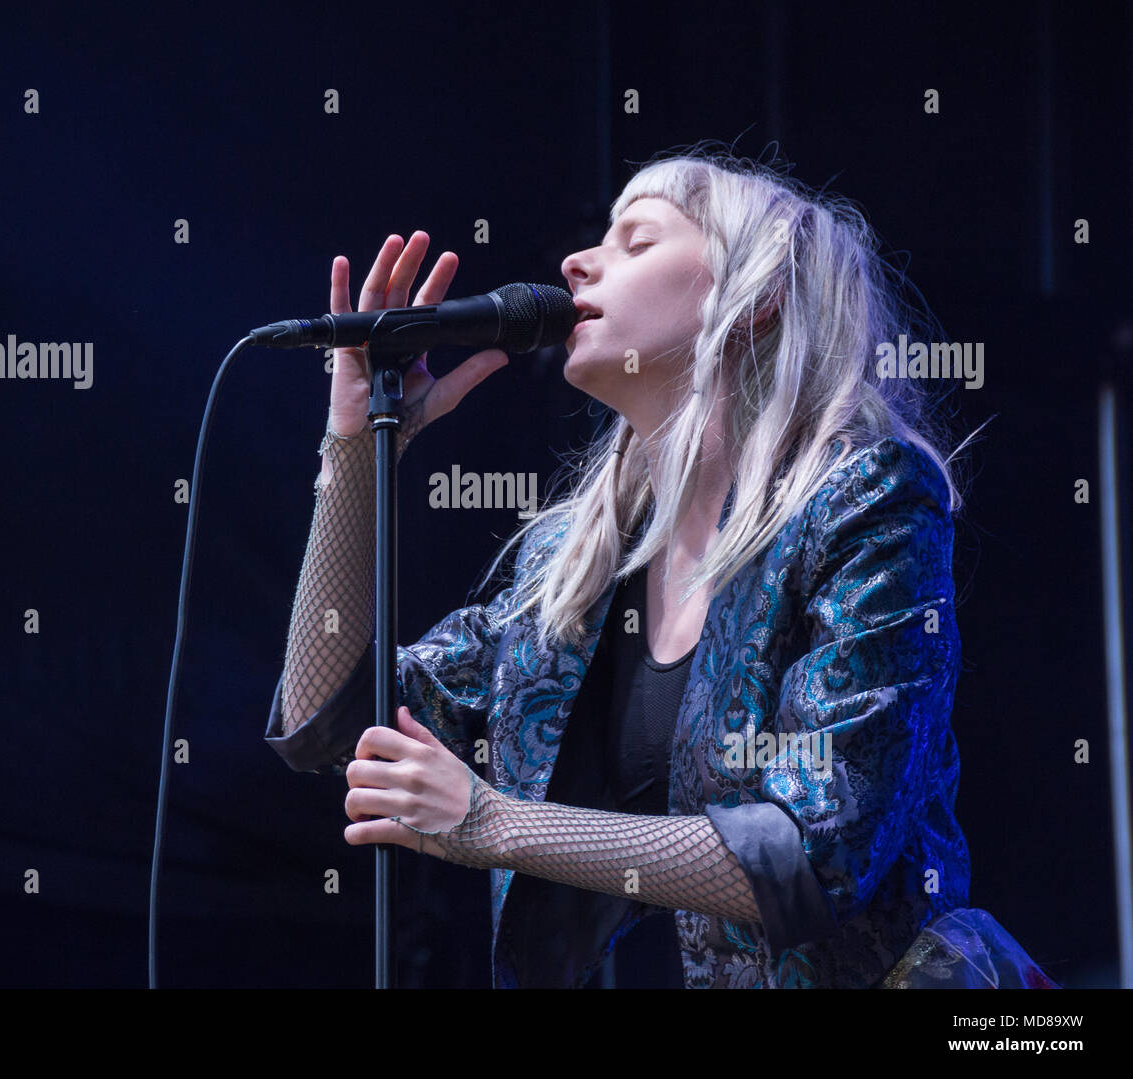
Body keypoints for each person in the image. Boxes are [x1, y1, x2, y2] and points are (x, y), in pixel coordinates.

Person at [264, 148, 1057, 989]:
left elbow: (809, 850)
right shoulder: (569, 563)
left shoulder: (865, 498)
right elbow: (329, 720)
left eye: (636, 240)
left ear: (757, 298)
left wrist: (496, 823)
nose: (575, 262)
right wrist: (354, 443)